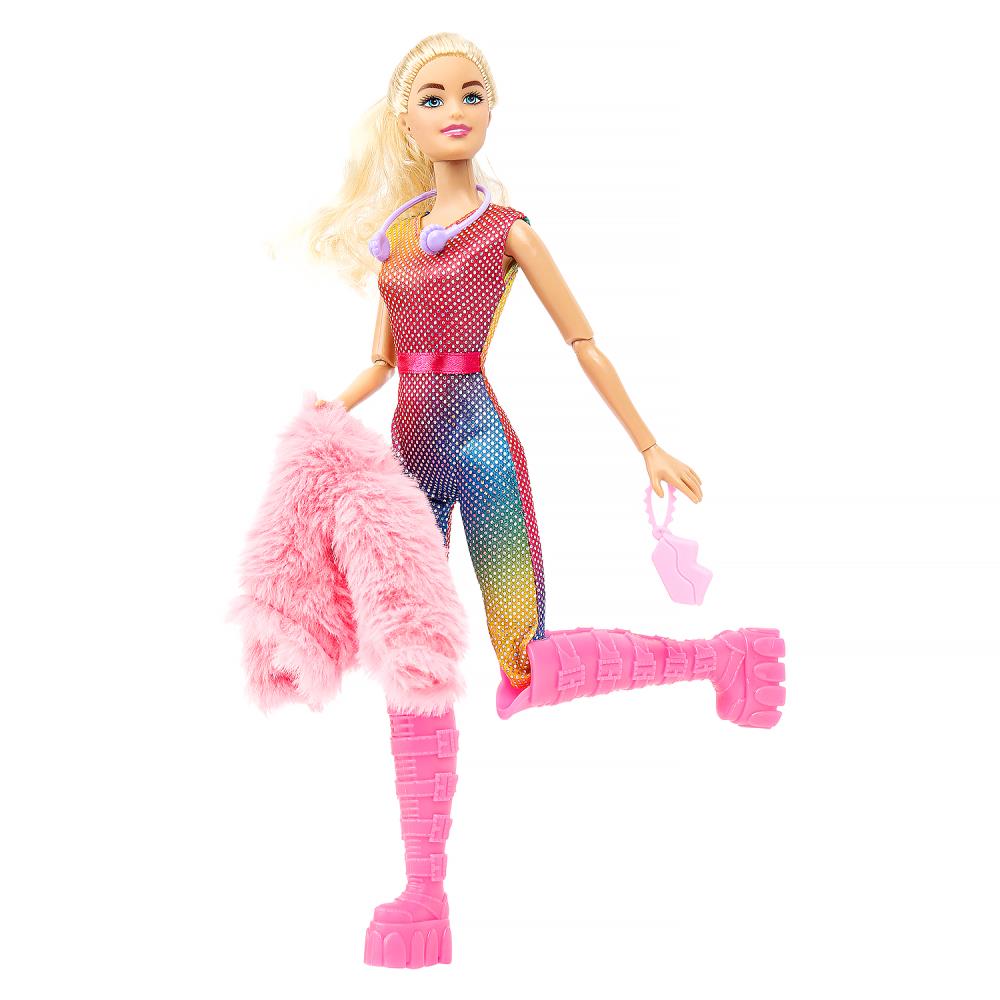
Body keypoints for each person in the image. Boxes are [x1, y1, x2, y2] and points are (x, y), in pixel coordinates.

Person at [303, 32, 786, 969]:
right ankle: (424, 889)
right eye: (434, 98)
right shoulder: (395, 237)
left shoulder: (508, 230)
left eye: (470, 94)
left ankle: (721, 659)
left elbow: (583, 342)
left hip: (482, 446)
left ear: (491, 107)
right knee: (410, 657)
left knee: (523, 658)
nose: (454, 112)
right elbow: (380, 360)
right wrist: (329, 408)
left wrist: (648, 442)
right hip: (407, 458)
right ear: (405, 119)